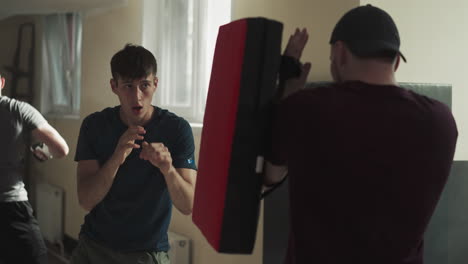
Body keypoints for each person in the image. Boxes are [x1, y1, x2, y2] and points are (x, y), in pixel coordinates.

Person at [264, 5, 458, 264]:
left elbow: (271, 175)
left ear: (340, 53)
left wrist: (287, 89)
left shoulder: (305, 109)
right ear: (396, 61)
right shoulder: (441, 121)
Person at [71, 44, 197, 264]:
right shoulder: (95, 125)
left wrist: (167, 169)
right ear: (114, 86)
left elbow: (188, 206)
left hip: (147, 253)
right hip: (94, 247)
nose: (137, 96)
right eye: (128, 86)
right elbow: (86, 200)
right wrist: (117, 156)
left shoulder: (176, 129)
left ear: (155, 84)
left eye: (144, 85)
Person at [0, 73, 70, 264]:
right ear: (2, 82)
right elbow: (61, 149)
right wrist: (43, 150)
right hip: (11, 205)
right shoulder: (17, 109)